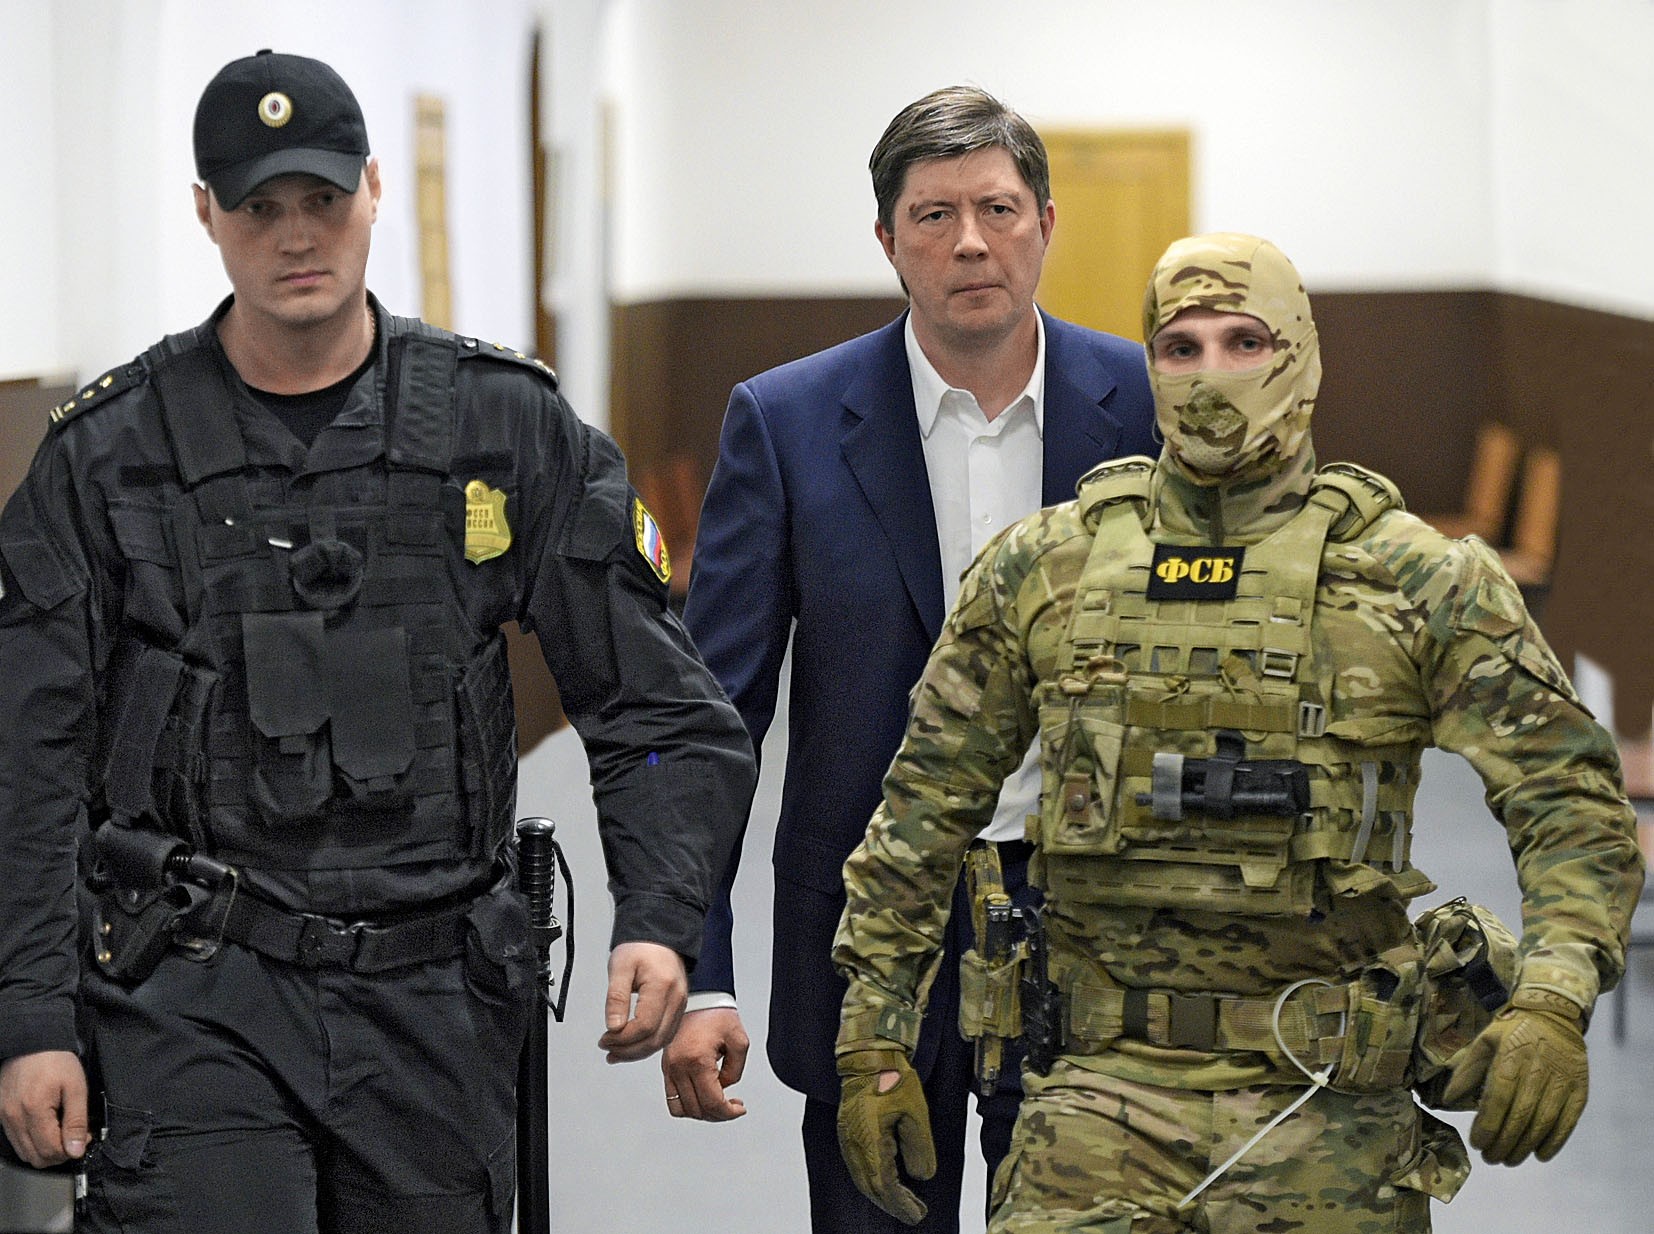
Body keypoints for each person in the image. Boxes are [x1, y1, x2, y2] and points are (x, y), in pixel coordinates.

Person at [0, 50, 754, 1234]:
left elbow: (654, 710)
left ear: (374, 189)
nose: (297, 235)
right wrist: (33, 1015)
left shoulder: (502, 428)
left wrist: (660, 914)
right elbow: (28, 760)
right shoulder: (108, 457)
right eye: (259, 208)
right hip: (192, 985)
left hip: (434, 998)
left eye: (323, 198)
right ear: (205, 213)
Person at [830, 232, 1644, 1232]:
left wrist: (1553, 996)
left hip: (1332, 1114)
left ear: (1301, 355)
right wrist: (873, 1042)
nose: (1209, 374)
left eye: (1243, 341)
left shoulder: (1418, 580)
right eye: (1180, 347)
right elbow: (920, 813)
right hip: (1094, 1108)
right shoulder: (1044, 568)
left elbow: (1570, 803)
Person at [662, 85, 1155, 1231]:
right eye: (933, 215)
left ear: (1045, 223)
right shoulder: (785, 421)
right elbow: (713, 721)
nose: (970, 241)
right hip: (867, 939)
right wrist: (701, 964)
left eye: (997, 208)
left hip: (1093, 921)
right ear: (887, 239)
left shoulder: (1141, 402)